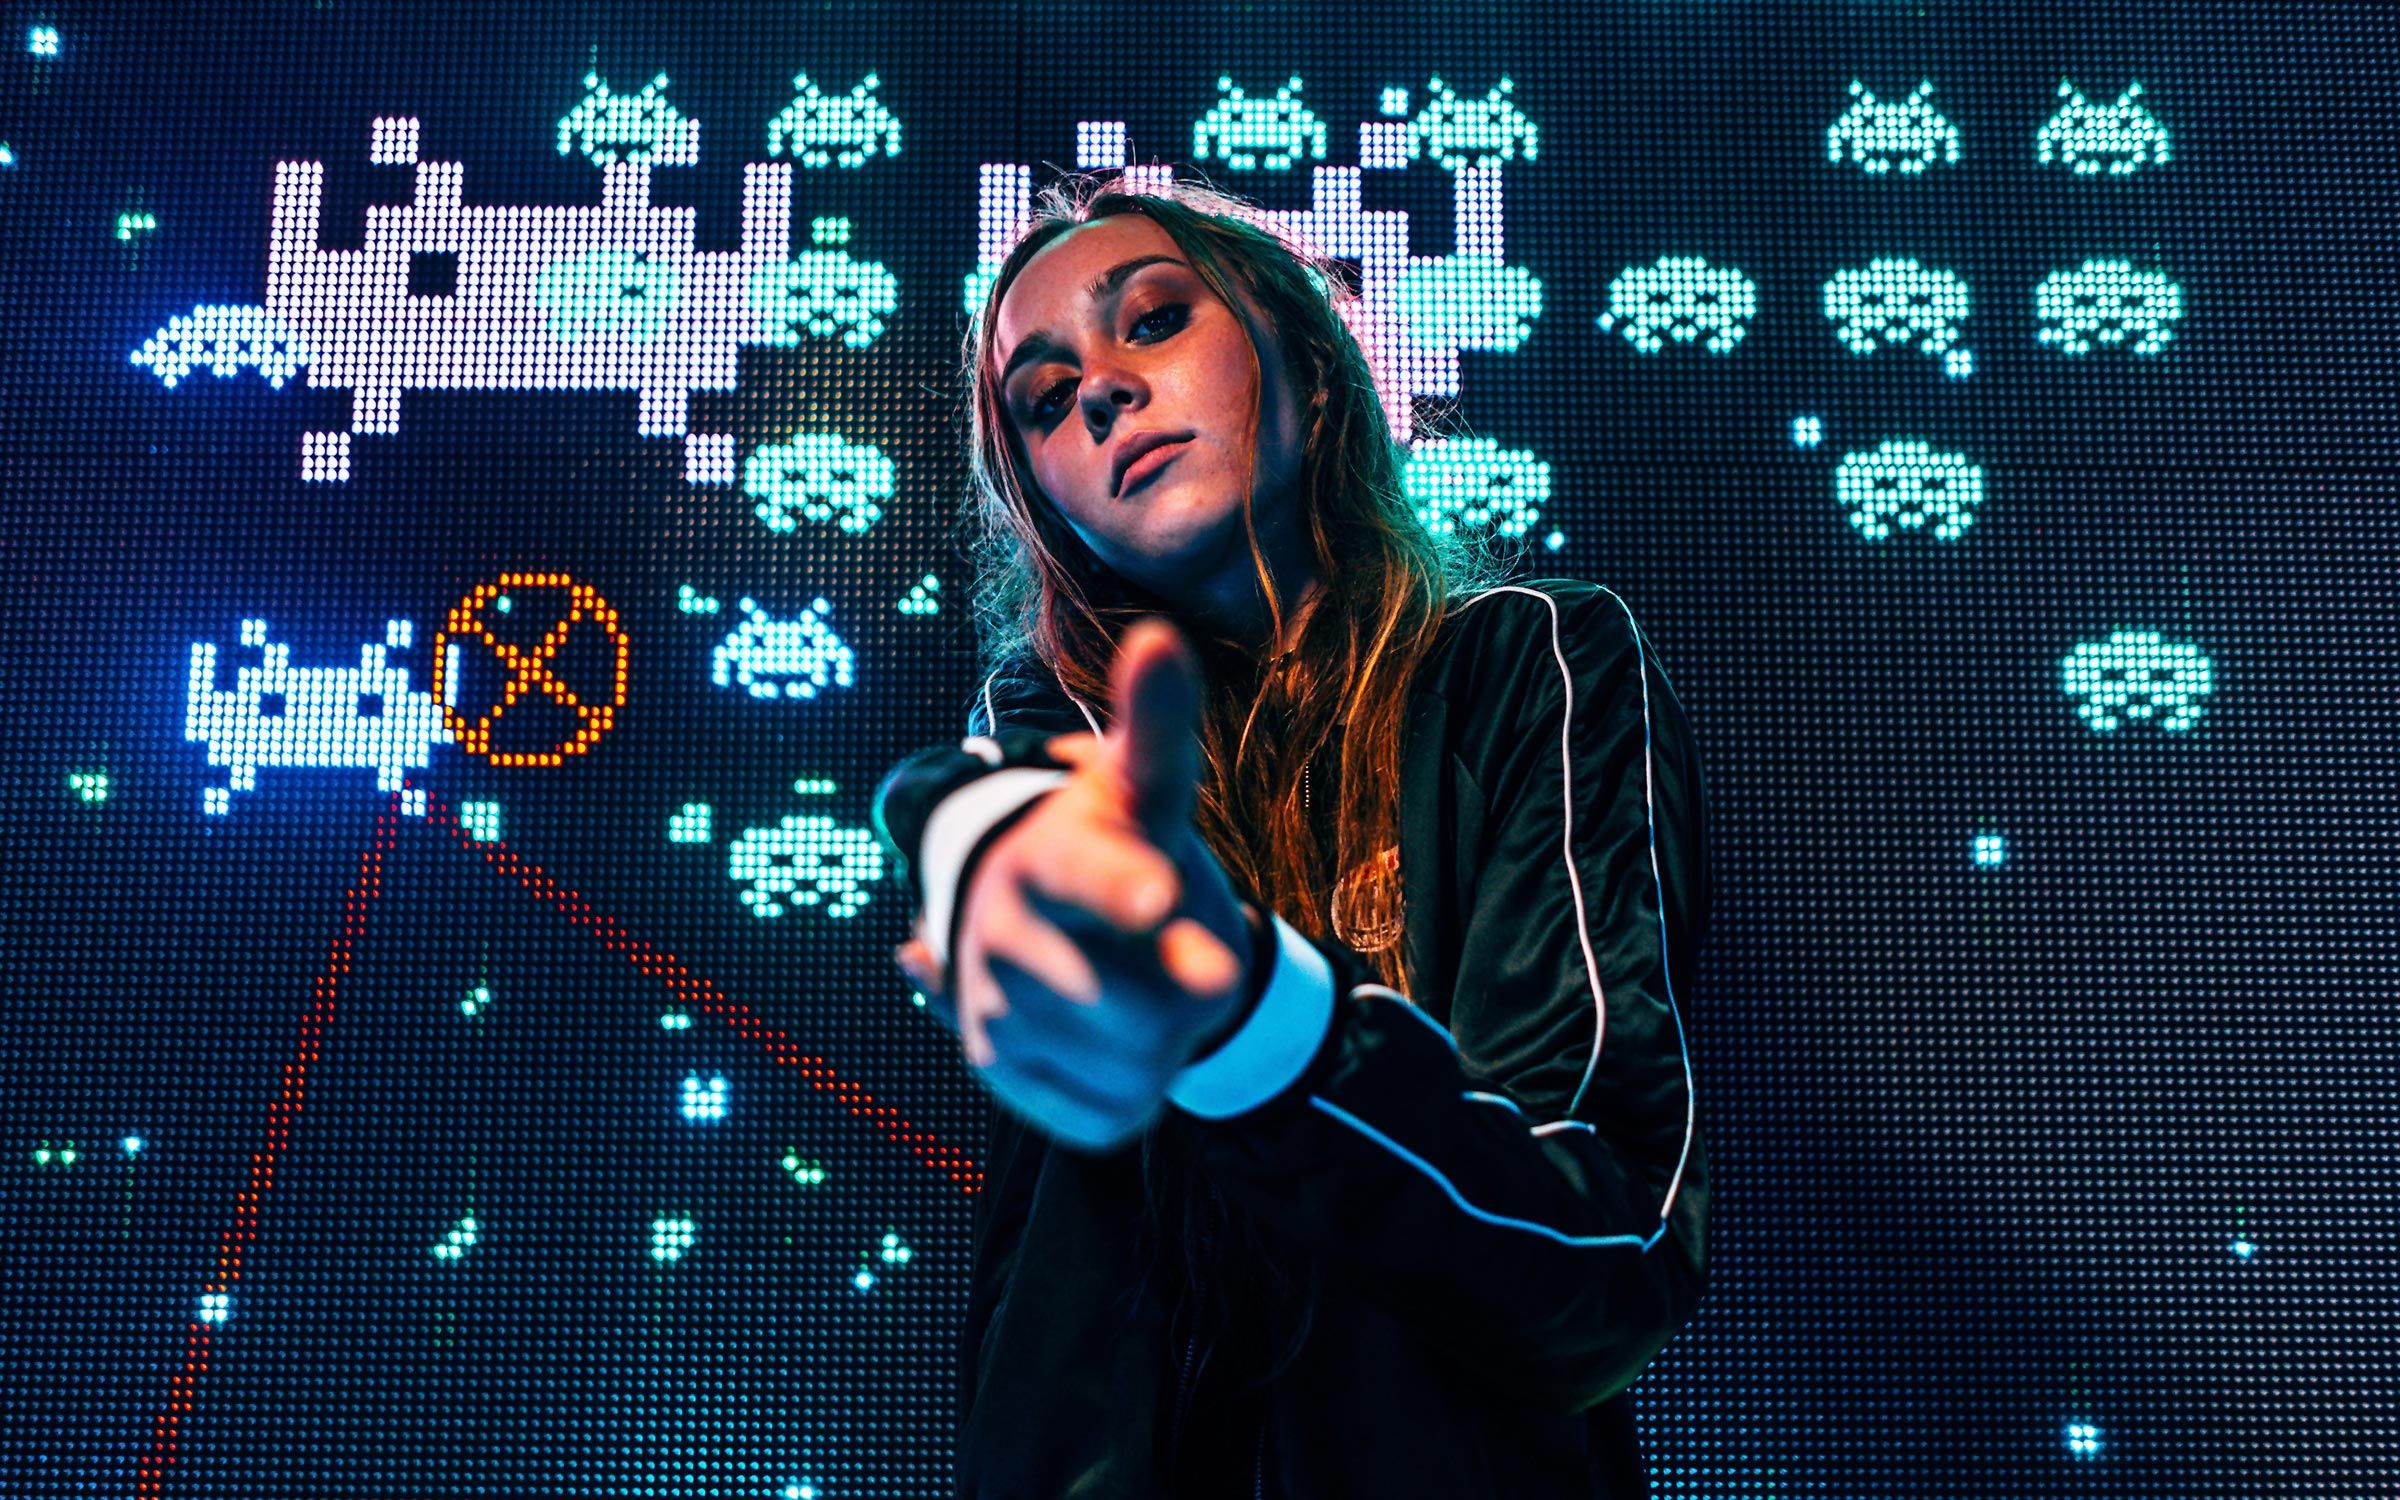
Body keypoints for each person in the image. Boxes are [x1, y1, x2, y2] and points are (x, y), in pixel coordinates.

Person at [871, 171, 1713, 1500]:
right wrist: (989, 852)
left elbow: (1603, 1259)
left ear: (1311, 369)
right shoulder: (1050, 723)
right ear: (1050, 504)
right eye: (1045, 398)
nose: (1102, 392)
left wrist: (1256, 1019)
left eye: (1154, 320)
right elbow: (1001, 810)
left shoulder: (1533, 662)